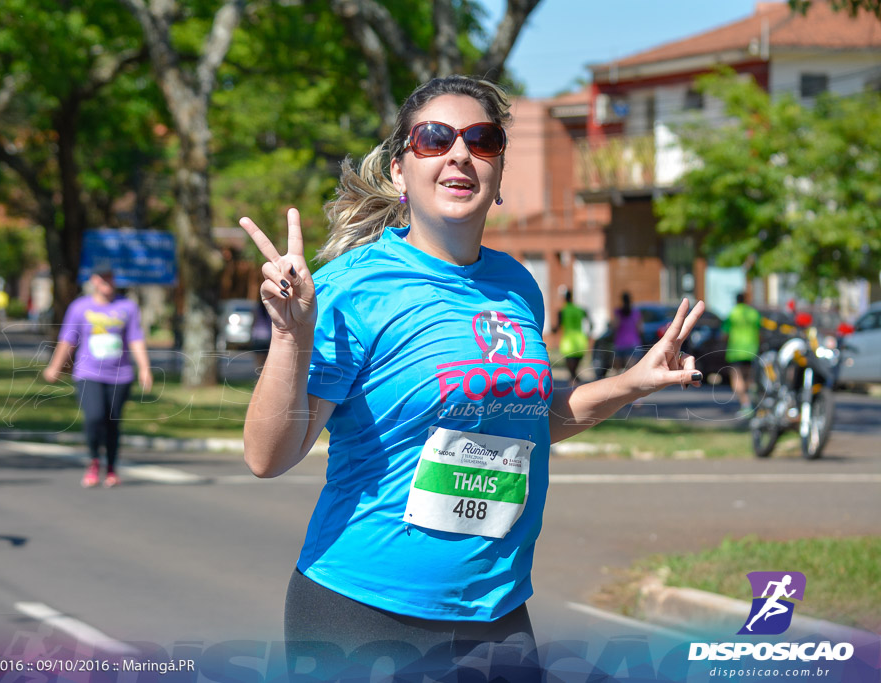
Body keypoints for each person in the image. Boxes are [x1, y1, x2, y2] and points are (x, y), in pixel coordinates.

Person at [238, 75, 705, 673]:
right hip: (362, 611)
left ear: (500, 173)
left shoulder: (516, 287)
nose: (460, 153)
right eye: (435, 139)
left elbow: (523, 423)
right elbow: (266, 456)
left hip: (496, 612)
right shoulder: (351, 286)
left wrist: (629, 383)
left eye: (481, 140)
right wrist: (289, 334)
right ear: (401, 170)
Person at [42, 264, 152, 488]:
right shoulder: (80, 307)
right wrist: (55, 366)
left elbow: (135, 339)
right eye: (102, 279)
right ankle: (94, 460)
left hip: (120, 375)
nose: (107, 283)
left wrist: (145, 368)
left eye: (110, 279)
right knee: (94, 418)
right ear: (93, 281)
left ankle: (111, 467)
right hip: (88, 373)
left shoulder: (127, 307)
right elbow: (68, 340)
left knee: (112, 423)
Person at [723, 292, 761, 415]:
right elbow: (760, 333)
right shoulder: (754, 313)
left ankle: (746, 405)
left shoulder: (733, 313)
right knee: (750, 378)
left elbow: (724, 334)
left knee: (737, 378)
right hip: (751, 350)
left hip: (736, 351)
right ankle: (752, 402)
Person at [551, 289, 590, 384]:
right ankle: (576, 381)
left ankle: (574, 381)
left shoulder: (562, 311)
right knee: (575, 365)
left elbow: (557, 328)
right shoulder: (580, 309)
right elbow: (591, 323)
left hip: (568, 341)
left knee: (571, 367)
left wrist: (553, 329)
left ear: (564, 298)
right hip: (580, 340)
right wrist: (588, 333)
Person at [611, 291, 643, 374]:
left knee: (617, 372)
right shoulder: (636, 312)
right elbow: (640, 329)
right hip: (633, 342)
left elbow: (615, 326)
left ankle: (618, 386)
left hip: (620, 343)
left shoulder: (618, 312)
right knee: (630, 371)